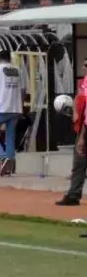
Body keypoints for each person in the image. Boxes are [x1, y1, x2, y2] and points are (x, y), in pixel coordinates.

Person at [0, 50, 24, 176]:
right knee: (10, 137)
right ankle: (9, 167)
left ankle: (2, 157)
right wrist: (20, 105)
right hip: (15, 108)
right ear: (9, 59)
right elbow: (23, 89)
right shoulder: (17, 70)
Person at [55, 62, 87, 207]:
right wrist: (75, 111)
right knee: (79, 164)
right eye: (84, 64)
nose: (84, 67)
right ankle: (73, 194)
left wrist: (82, 136)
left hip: (85, 129)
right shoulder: (84, 82)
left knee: (79, 161)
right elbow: (79, 98)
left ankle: (74, 194)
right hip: (82, 127)